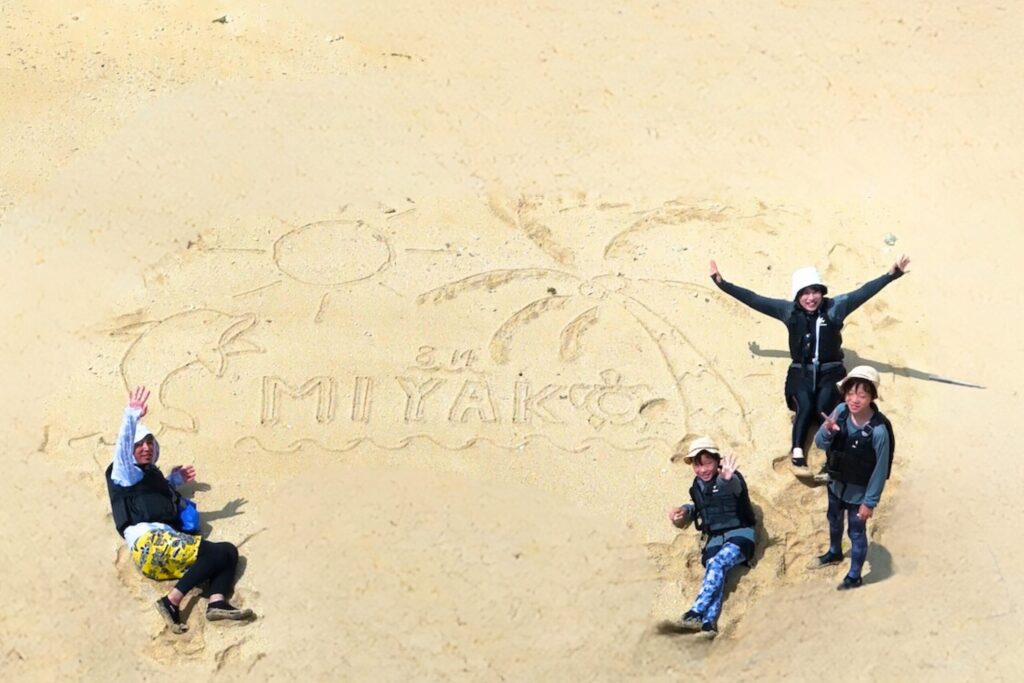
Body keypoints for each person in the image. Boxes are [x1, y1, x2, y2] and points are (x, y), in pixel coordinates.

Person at [708, 255, 909, 470]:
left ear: (822, 292)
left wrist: (891, 275)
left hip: (831, 371)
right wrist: (723, 284)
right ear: (797, 295)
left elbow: (863, 293)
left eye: (815, 291)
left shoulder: (835, 308)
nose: (810, 298)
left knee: (826, 408)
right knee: (804, 405)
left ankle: (833, 457)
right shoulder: (788, 311)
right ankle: (797, 452)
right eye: (804, 293)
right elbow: (755, 299)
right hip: (800, 371)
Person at [106, 386, 255, 633]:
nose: (146, 448)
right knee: (219, 553)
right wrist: (131, 416)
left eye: (150, 444)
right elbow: (122, 453)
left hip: (158, 558)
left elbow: (155, 494)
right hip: (150, 543)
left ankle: (217, 602)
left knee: (226, 553)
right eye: (139, 444)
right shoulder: (125, 473)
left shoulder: (151, 479)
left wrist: (173, 481)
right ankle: (171, 601)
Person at [666, 436, 757, 638]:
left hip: (740, 535)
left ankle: (695, 612)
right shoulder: (698, 484)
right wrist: (684, 511)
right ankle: (708, 624)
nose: (703, 470)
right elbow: (701, 506)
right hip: (715, 538)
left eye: (708, 463)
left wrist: (726, 479)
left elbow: (731, 487)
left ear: (717, 461)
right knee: (715, 571)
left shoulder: (731, 478)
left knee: (717, 564)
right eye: (698, 466)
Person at [811, 366, 891, 590]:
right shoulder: (840, 411)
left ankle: (855, 576)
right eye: (850, 393)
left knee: (856, 533)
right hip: (836, 485)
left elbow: (880, 470)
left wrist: (870, 502)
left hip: (859, 494)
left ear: (872, 397)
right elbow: (819, 443)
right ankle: (834, 552)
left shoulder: (878, 431)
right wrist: (828, 431)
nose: (854, 400)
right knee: (834, 520)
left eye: (862, 395)